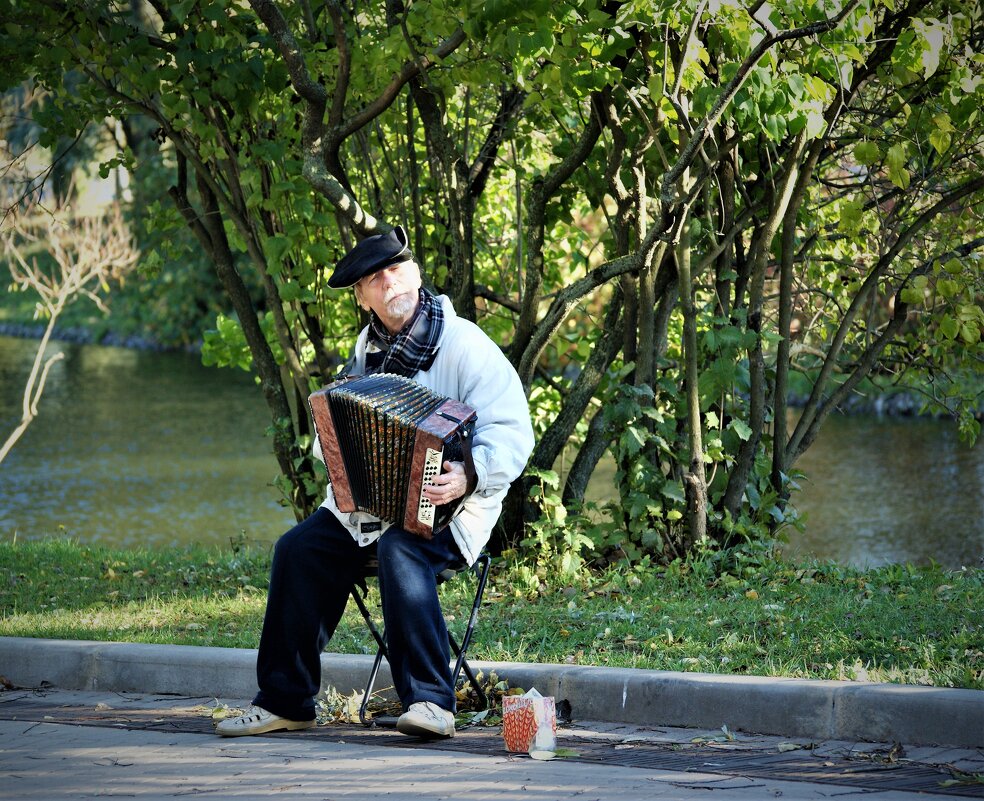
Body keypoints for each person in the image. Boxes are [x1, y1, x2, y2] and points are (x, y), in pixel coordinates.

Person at [216, 225, 534, 739]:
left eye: (396, 268)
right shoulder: (364, 354)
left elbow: (514, 433)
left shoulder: (464, 344)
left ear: (415, 272)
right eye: (375, 278)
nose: (390, 282)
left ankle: (431, 702)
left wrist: (469, 474)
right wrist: (336, 448)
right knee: (297, 550)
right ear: (363, 298)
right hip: (367, 512)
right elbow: (333, 439)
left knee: (400, 549)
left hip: (455, 510)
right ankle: (285, 700)